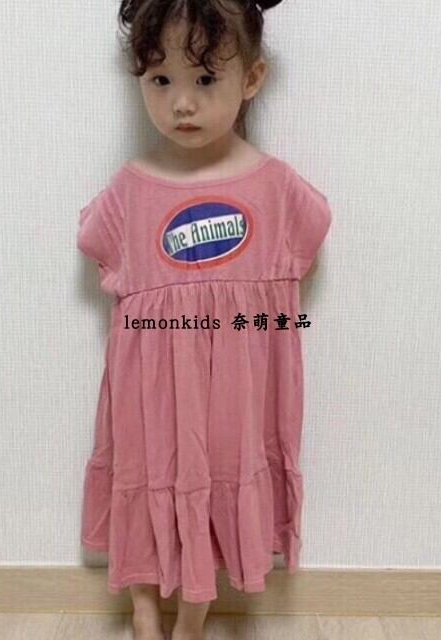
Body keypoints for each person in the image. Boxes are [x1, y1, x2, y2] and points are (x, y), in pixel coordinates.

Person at [77, 0, 333, 638]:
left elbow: (312, 229)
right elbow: (94, 238)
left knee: (220, 476)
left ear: (252, 79)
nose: (182, 104)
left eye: (205, 78)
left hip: (235, 399)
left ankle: (194, 615)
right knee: (145, 476)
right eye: (160, 79)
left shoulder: (277, 191)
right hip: (152, 397)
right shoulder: (129, 192)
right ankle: (142, 606)